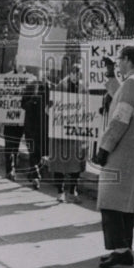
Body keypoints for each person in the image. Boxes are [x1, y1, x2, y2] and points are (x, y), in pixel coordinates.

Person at [92, 45, 134, 268]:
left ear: (127, 59)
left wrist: (104, 148)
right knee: (124, 205)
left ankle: (118, 250)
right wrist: (110, 75)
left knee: (111, 203)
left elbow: (120, 118)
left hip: (120, 151)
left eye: (118, 61)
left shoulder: (133, 84)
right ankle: (125, 249)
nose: (117, 63)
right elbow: (120, 95)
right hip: (130, 153)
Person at [50, 64, 86, 203]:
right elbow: (51, 107)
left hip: (76, 131)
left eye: (79, 73)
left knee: (76, 162)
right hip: (61, 131)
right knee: (60, 161)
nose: (77, 76)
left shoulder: (83, 88)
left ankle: (72, 191)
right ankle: (60, 191)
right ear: (70, 74)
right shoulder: (60, 87)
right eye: (75, 73)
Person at [20, 69, 48, 190]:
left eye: (46, 72)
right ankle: (36, 176)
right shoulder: (30, 87)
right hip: (31, 126)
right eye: (42, 72)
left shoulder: (51, 88)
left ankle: (34, 172)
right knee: (32, 151)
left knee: (41, 152)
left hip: (44, 126)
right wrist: (33, 100)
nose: (44, 75)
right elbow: (23, 104)